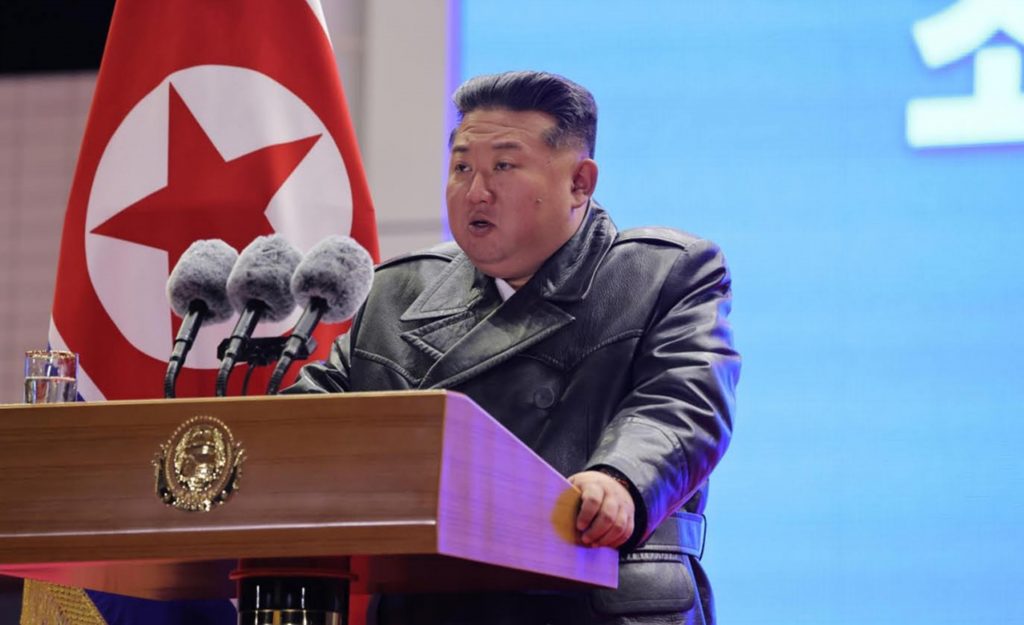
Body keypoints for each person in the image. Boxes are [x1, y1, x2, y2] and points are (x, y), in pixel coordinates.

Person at [286, 70, 740, 625]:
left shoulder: (662, 273)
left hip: (598, 595)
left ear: (580, 183)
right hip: (433, 604)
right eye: (462, 168)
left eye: (503, 166)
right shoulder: (395, 292)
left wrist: (619, 479)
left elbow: (682, 405)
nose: (476, 191)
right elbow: (308, 427)